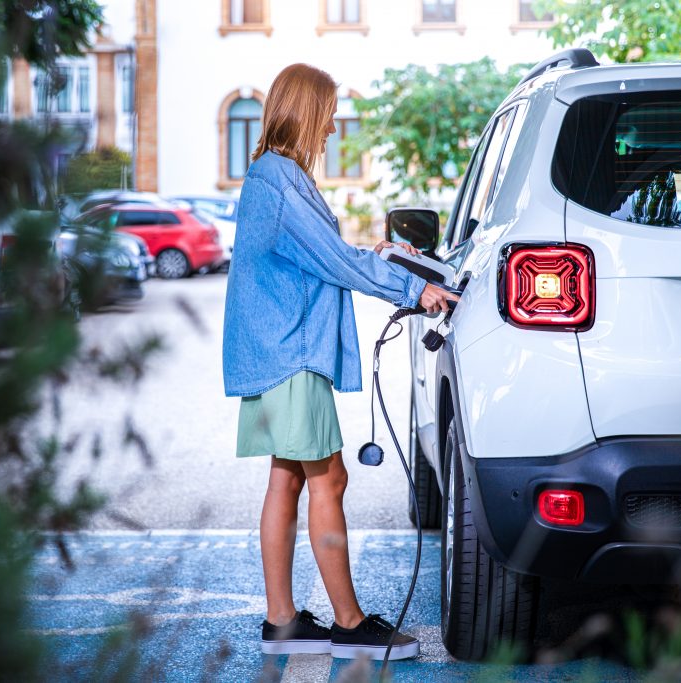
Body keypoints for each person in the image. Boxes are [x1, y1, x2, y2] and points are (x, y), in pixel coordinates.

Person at [221, 63, 458, 661]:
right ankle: (350, 626)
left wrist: (383, 255)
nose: (331, 128)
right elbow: (332, 260)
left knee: (289, 475)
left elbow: (323, 254)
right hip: (292, 358)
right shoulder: (281, 179)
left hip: (278, 353)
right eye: (326, 114)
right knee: (329, 478)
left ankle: (281, 621)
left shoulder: (274, 176)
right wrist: (414, 290)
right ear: (304, 110)